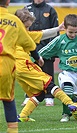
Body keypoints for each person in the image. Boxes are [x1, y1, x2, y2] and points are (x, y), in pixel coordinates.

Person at [13, 8, 77, 122]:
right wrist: (38, 58)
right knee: (49, 84)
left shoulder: (11, 34)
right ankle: (71, 104)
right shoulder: (22, 35)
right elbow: (38, 39)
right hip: (23, 64)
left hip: (14, 69)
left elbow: (40, 34)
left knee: (40, 93)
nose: (27, 29)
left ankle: (23, 116)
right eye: (26, 26)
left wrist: (57, 29)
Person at [38, 14, 77, 122]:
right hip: (67, 72)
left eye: (75, 32)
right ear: (65, 29)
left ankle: (72, 110)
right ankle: (65, 115)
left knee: (75, 97)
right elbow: (46, 49)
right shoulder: (59, 40)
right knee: (67, 90)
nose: (73, 35)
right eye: (70, 32)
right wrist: (35, 56)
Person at [0, 0, 38, 132]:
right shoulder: (14, 20)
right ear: (8, 2)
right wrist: (38, 57)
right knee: (8, 100)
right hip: (5, 64)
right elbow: (28, 43)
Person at [21, 0, 60, 107]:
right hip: (30, 46)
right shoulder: (27, 9)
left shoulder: (50, 10)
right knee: (29, 72)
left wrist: (53, 48)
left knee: (47, 72)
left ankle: (49, 97)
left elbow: (55, 30)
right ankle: (29, 96)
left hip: (46, 46)